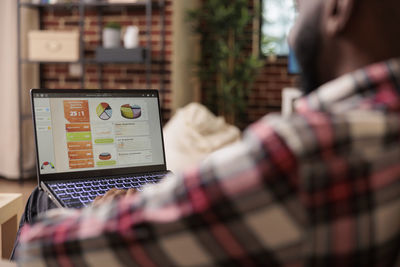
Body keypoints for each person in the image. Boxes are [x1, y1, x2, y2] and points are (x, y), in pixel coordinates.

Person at [13, 0, 400, 265]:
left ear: (337, 8)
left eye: (298, 10)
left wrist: (111, 211)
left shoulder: (303, 154)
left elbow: (47, 250)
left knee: (40, 202)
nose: (292, 33)